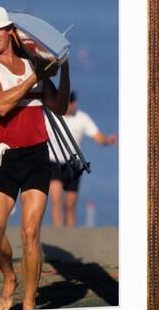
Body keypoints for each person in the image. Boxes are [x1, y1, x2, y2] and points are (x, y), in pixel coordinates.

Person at [0, 6, 70, 310]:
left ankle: (28, 307)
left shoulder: (33, 63)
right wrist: (35, 78)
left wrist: (64, 68)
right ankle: (8, 277)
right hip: (6, 158)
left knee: (30, 233)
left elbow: (59, 106)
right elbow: (1, 106)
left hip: (37, 156)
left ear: (10, 31)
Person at [47, 90, 117, 227]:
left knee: (70, 204)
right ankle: (58, 233)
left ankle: (70, 234)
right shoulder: (51, 117)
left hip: (74, 164)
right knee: (56, 200)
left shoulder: (82, 118)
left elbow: (97, 136)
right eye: (71, 102)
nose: (75, 105)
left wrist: (108, 140)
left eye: (74, 101)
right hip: (53, 162)